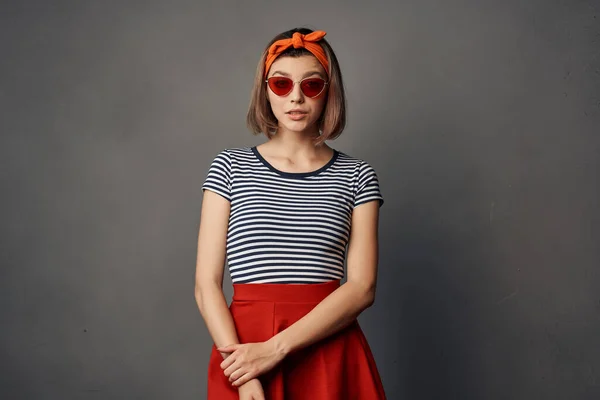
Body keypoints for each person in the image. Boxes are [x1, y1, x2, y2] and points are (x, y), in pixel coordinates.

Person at [195, 27, 387, 400]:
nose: (296, 97)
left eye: (311, 85)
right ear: (265, 90)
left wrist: (275, 349)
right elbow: (206, 286)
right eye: (281, 84)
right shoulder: (230, 168)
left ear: (329, 91)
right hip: (242, 354)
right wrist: (244, 371)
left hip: (330, 346)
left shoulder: (357, 176)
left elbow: (362, 287)